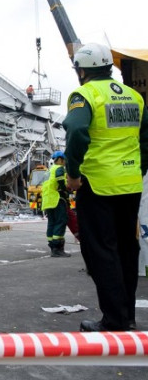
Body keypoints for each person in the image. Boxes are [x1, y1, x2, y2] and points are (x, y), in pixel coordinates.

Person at [63, 42, 148, 332]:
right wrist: (139, 170)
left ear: (82, 70)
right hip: (130, 184)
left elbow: (76, 131)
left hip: (97, 184)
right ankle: (127, 316)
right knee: (127, 249)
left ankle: (114, 320)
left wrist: (72, 173)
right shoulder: (134, 96)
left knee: (101, 252)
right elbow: (145, 139)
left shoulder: (84, 95)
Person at [41, 150, 71, 257]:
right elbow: (60, 181)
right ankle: (57, 248)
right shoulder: (59, 168)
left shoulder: (48, 171)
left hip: (48, 201)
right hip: (57, 199)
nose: (64, 163)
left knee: (52, 223)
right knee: (61, 221)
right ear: (60, 159)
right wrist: (67, 190)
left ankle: (52, 246)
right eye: (64, 161)